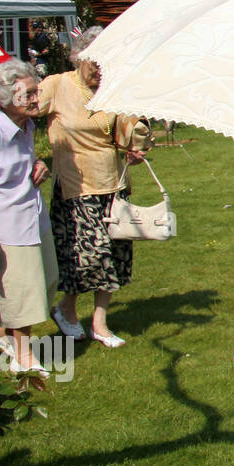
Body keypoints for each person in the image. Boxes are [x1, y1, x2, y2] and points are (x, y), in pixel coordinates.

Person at [39, 29, 151, 347]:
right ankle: (67, 309)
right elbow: (22, 112)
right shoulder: (57, 85)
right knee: (85, 256)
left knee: (114, 256)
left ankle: (100, 324)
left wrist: (136, 146)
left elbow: (130, 131)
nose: (101, 70)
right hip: (76, 185)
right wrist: (28, 160)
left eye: (108, 62)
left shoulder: (112, 90)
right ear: (82, 56)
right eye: (97, 62)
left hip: (113, 184)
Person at [0, 60, 54, 374]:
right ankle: (25, 359)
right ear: (6, 97)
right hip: (7, 227)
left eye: (36, 91)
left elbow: (17, 168)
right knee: (22, 294)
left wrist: (40, 165)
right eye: (29, 93)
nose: (36, 98)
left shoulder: (25, 126)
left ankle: (1, 333)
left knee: (46, 283)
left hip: (33, 218)